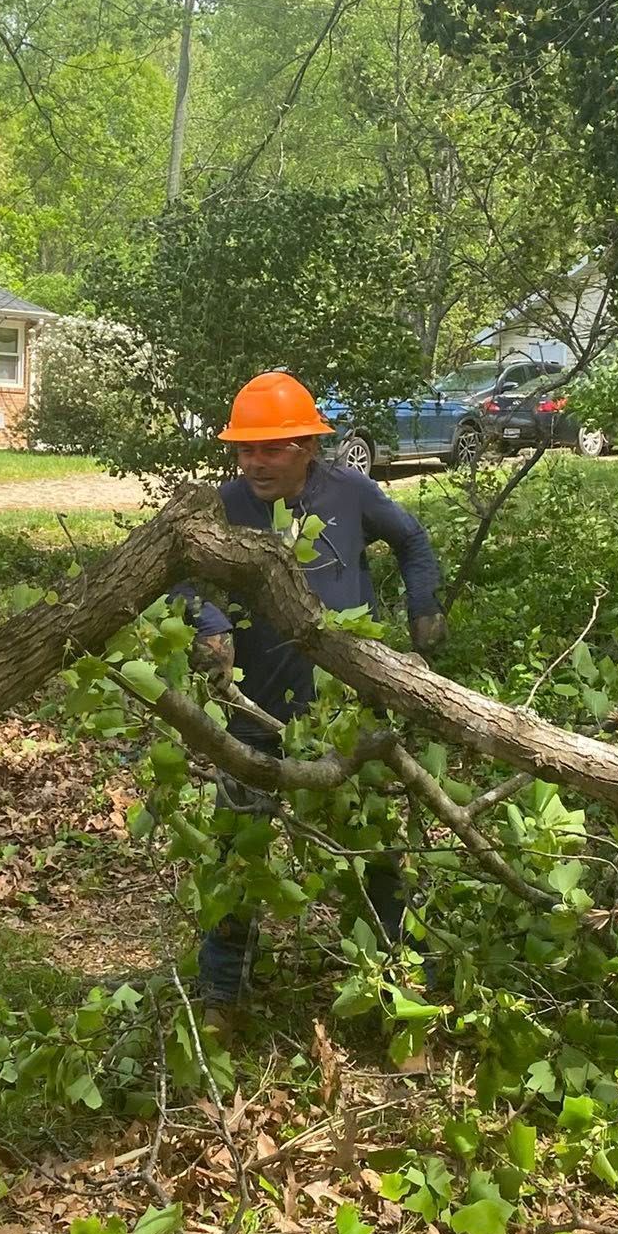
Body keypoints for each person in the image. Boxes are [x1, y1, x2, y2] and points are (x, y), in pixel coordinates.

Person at [184, 371, 445, 1025]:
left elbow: (412, 541)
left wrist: (424, 609)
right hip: (258, 714)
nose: (254, 462)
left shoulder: (351, 493)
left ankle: (401, 995)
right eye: (245, 449)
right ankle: (222, 998)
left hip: (351, 709)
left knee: (385, 854)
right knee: (236, 849)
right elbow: (182, 579)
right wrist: (211, 625)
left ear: (306, 444)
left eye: (270, 448)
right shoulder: (226, 507)